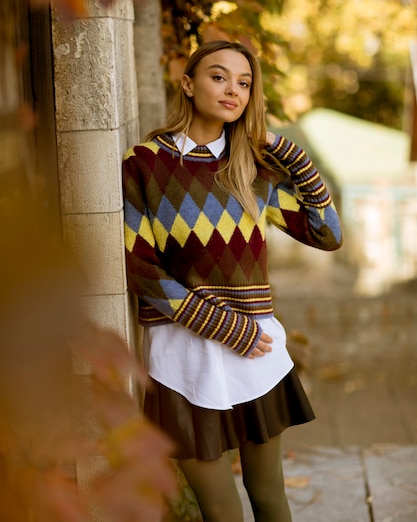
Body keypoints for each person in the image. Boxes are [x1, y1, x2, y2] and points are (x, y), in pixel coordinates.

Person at [123, 40, 343, 522]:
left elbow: (329, 234)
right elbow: (139, 268)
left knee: (270, 499)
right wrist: (228, 327)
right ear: (188, 83)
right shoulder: (144, 164)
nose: (233, 91)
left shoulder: (251, 172)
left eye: (244, 83)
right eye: (218, 76)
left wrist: (287, 152)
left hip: (256, 358)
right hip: (182, 357)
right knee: (222, 512)